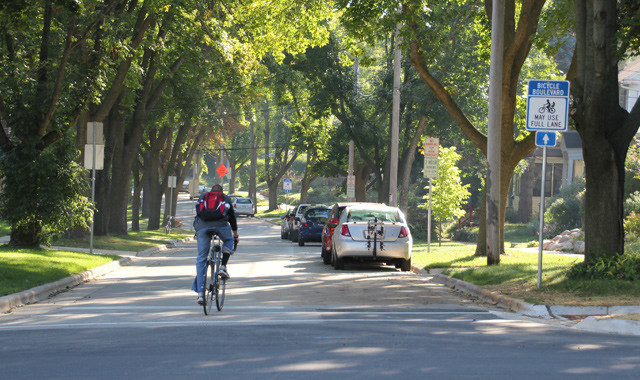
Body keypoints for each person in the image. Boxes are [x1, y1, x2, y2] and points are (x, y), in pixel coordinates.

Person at [191, 184, 239, 305]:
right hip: (221, 226)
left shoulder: (203, 196)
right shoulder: (225, 198)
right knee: (229, 241)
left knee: (201, 259)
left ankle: (201, 295)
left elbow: (198, 213)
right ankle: (222, 266)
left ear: (211, 191)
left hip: (202, 228)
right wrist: (235, 235)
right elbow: (232, 217)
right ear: (221, 192)